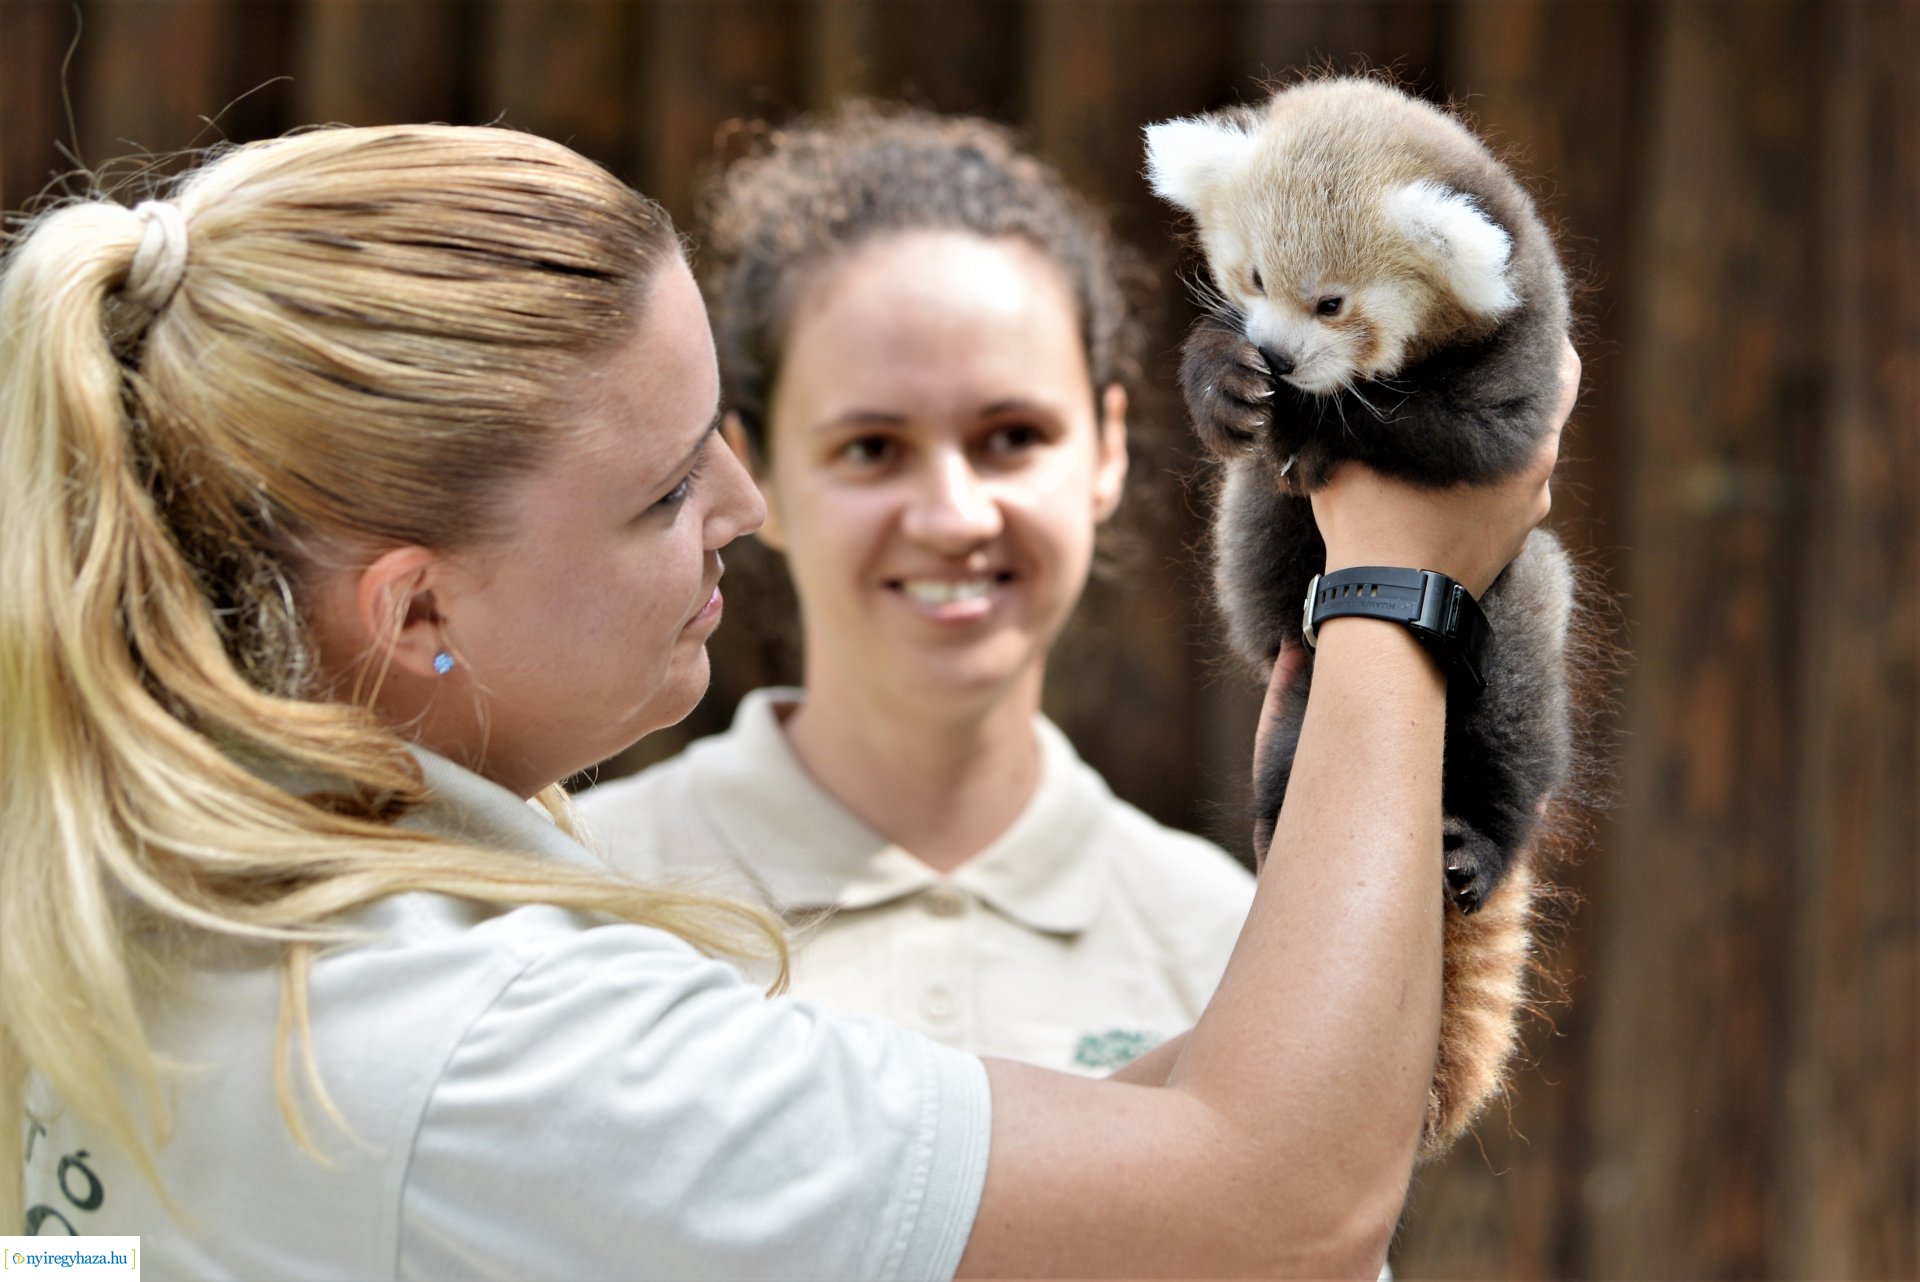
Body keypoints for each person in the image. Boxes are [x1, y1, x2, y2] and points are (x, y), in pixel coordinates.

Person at [1, 122, 1571, 1278]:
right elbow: (1273, 1205)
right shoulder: (491, 1045)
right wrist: (1399, 584)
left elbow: (1033, 1180)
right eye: (670, 486)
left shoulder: (143, 925)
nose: (743, 508)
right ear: (418, 607)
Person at [576, 106, 1255, 1076]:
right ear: (755, 462)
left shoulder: (1220, 939)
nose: (952, 516)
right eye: (872, 448)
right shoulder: (585, 896)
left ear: (1108, 448)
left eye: (1012, 437)